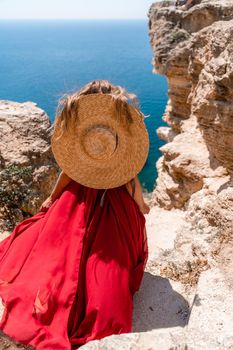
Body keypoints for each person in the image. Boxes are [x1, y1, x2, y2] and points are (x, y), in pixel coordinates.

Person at [0, 80, 150, 349]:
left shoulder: (81, 159)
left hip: (75, 202)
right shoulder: (121, 159)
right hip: (115, 208)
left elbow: (66, 175)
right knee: (111, 259)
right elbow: (132, 183)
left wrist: (53, 197)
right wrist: (141, 205)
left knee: (59, 251)